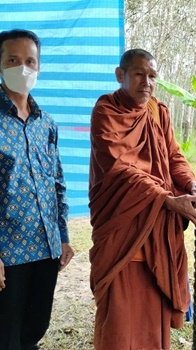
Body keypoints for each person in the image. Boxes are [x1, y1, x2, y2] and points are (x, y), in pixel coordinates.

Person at [89, 49, 196, 349]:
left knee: (153, 319)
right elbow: (118, 167)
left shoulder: (158, 111)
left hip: (158, 230)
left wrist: (194, 185)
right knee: (120, 321)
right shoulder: (106, 110)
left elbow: (174, 157)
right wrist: (166, 199)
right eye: (139, 74)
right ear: (120, 75)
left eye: (152, 76)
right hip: (123, 227)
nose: (146, 82)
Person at [0, 29, 74, 350]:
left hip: (46, 249)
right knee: (6, 334)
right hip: (8, 254)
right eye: (13, 60)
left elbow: (56, 182)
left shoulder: (47, 124)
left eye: (30, 61)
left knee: (35, 327)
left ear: (39, 67)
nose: (23, 68)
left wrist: (64, 236)